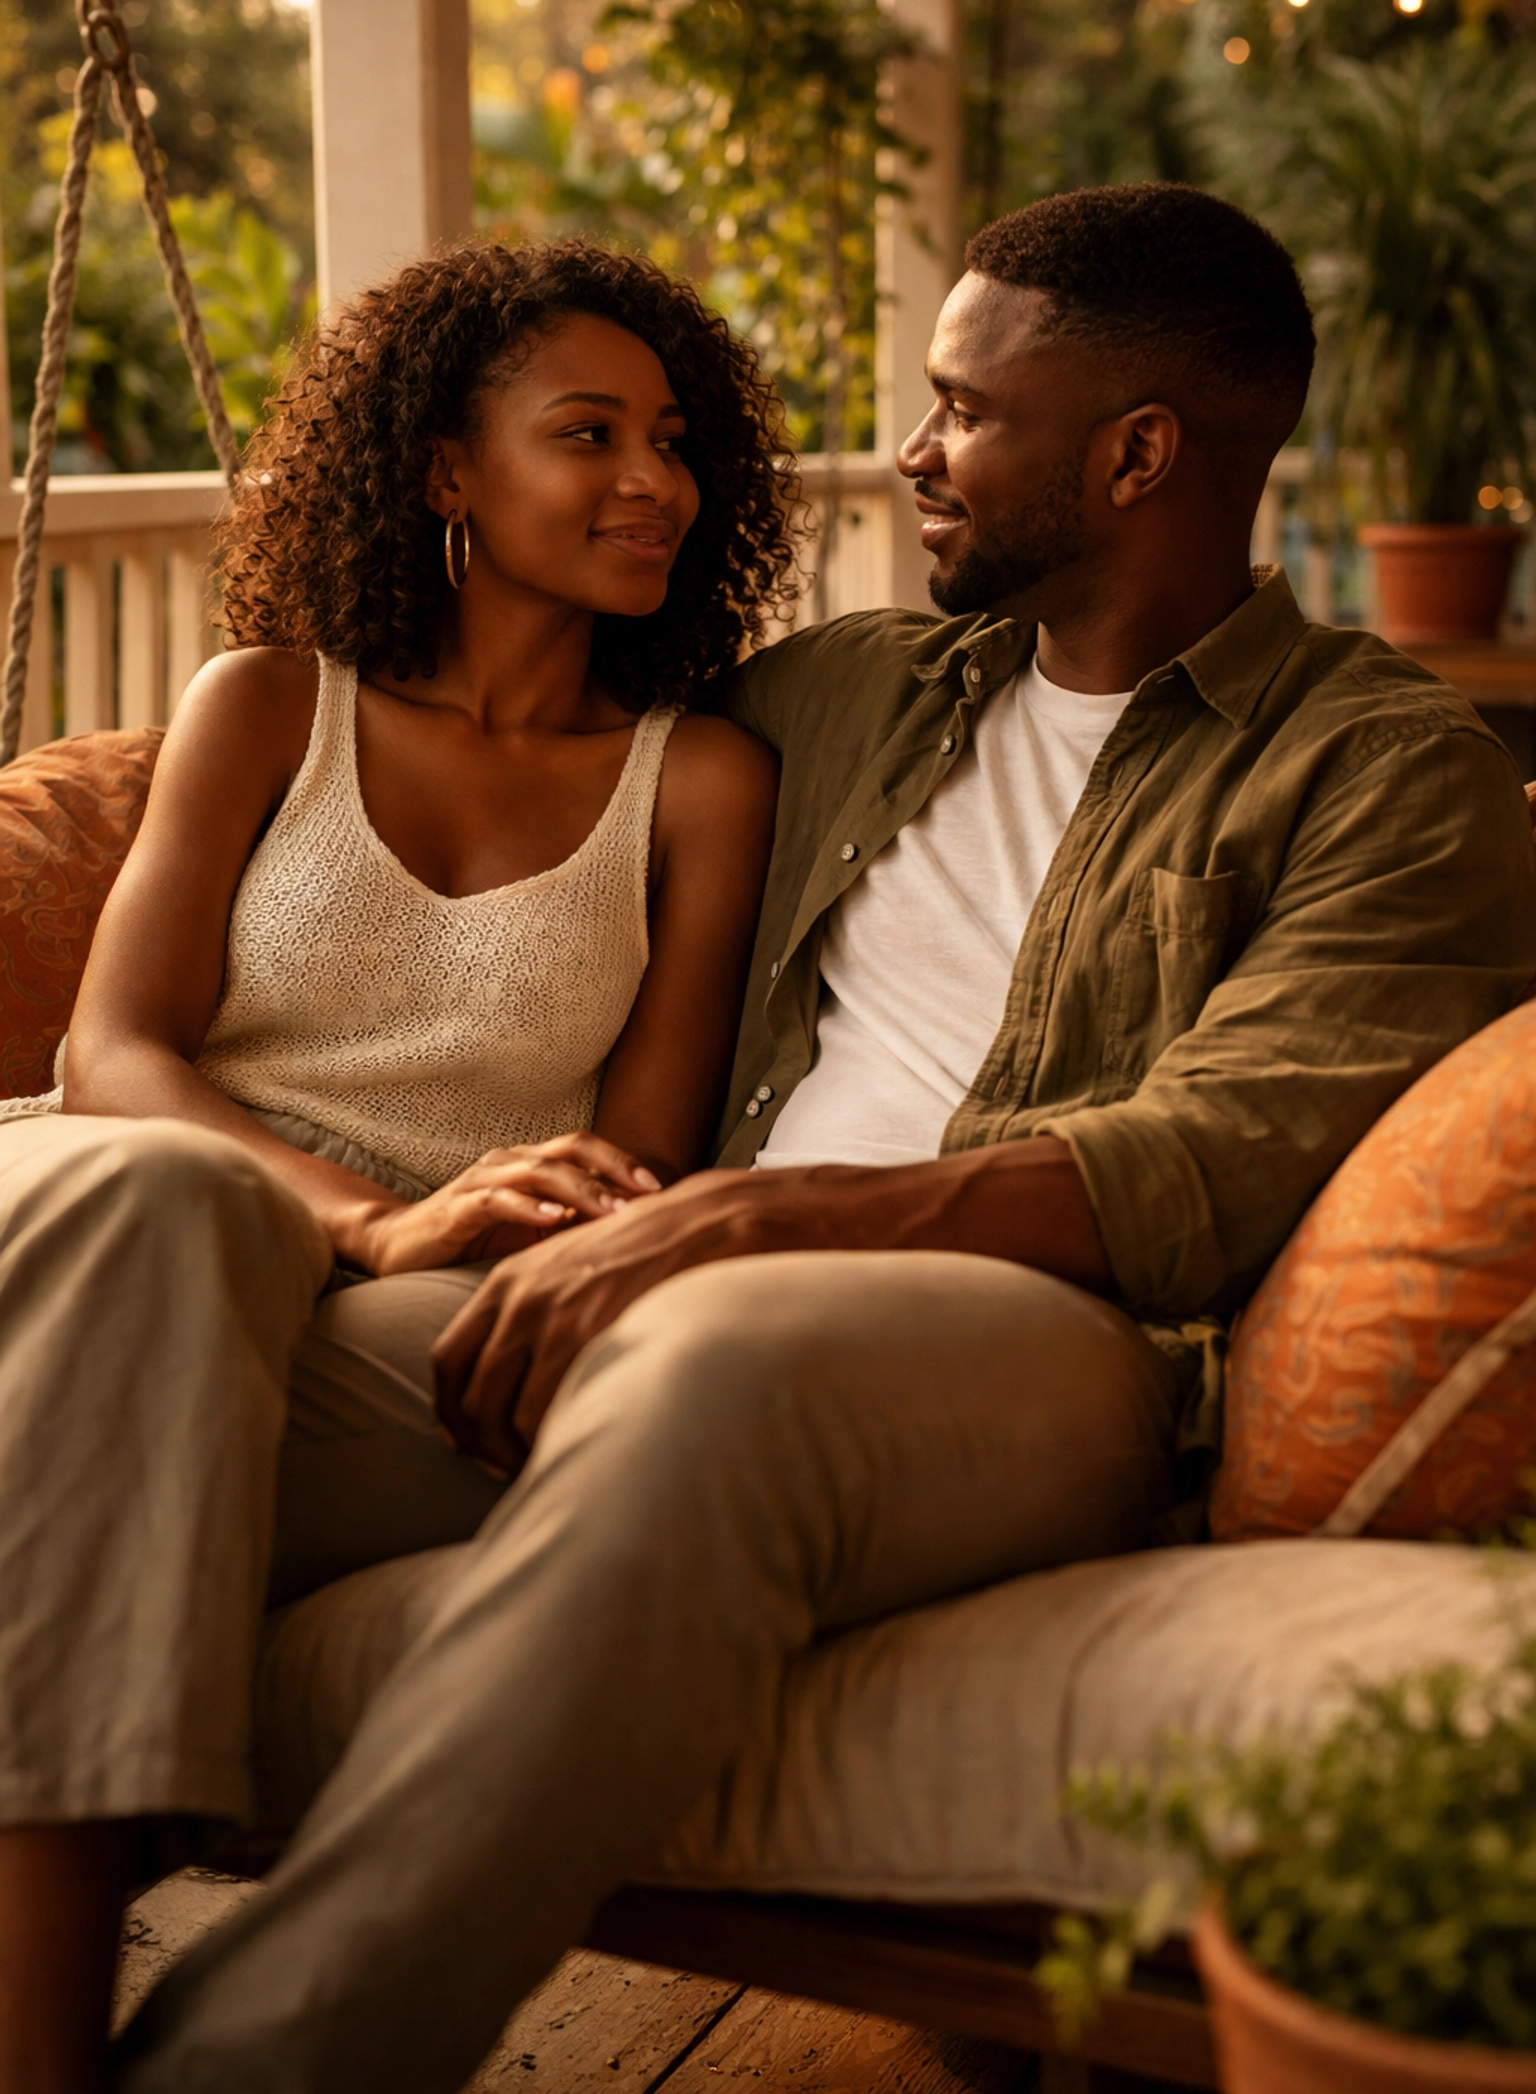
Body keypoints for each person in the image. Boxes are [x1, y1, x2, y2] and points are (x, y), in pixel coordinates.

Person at [10, 184, 1536, 2094]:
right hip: (642, 1269)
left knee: (719, 1361)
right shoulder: (849, 694)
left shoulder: (1389, 772)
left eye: (964, 409)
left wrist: (747, 1223)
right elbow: (508, 739)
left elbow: (1212, 1152)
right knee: (127, 1380)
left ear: (1139, 452)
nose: (914, 453)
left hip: (1031, 1327)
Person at [0, 237, 792, 2094]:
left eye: (674, 442)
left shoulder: (700, 782)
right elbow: (108, 1055)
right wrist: (370, 1215)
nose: (651, 482)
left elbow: (642, 1158)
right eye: (587, 434)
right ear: (445, 469)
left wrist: (446, 1243)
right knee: (177, 1208)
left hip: (388, 1321)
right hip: (113, 1193)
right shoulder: (272, 702)